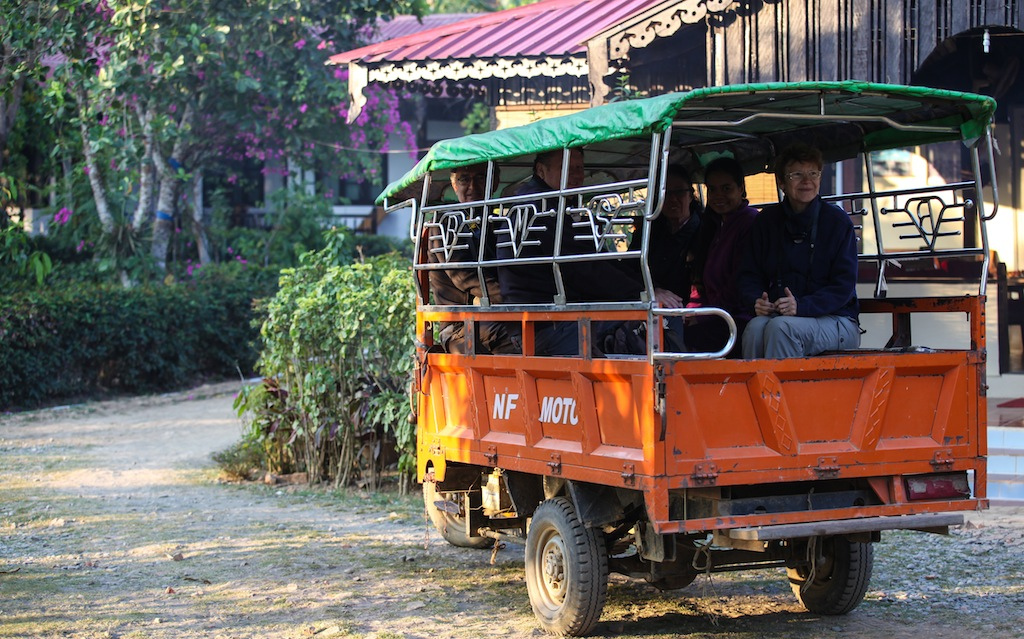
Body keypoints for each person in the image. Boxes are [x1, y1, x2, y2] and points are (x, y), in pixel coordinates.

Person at [495, 148, 643, 355]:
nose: (575, 174)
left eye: (579, 168)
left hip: (554, 316)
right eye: (566, 168)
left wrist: (641, 287)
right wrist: (640, 293)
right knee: (636, 331)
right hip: (545, 323)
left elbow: (592, 260)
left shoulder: (557, 205)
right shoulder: (541, 209)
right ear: (541, 170)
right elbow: (582, 267)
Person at [737, 143, 860, 359]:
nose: (807, 181)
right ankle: (753, 393)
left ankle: (779, 393)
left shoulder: (837, 222)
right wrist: (757, 300)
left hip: (836, 319)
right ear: (782, 182)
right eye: (797, 174)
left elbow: (843, 286)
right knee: (755, 328)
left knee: (781, 328)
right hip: (781, 314)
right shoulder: (766, 221)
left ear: (820, 179)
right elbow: (749, 273)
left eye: (813, 173)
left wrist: (801, 306)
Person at [426, 163, 517, 354]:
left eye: (481, 178)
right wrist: (515, 300)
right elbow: (464, 277)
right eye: (464, 179)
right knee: (527, 338)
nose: (472, 187)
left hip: (499, 312)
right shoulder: (445, 224)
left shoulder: (500, 223)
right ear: (454, 185)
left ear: (495, 182)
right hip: (461, 325)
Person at [687, 156, 759, 356]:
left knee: (679, 340)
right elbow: (700, 282)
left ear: (741, 189)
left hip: (739, 318)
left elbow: (738, 284)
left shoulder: (749, 223)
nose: (719, 196)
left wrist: (703, 316)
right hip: (715, 315)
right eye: (713, 189)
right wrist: (691, 310)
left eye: (726, 188)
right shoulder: (714, 225)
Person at [628, 164, 701, 351]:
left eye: (679, 192)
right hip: (651, 306)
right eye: (666, 193)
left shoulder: (705, 230)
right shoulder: (649, 231)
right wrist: (653, 289)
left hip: (690, 310)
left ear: (691, 195)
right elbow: (629, 269)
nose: (673, 200)